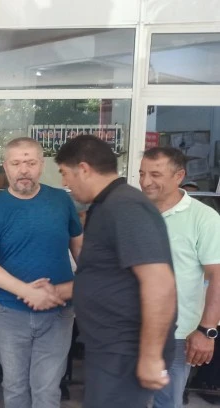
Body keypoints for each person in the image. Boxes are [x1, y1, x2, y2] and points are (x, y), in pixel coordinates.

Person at [54, 134, 177, 408]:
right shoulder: (107, 204)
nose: (64, 183)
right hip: (109, 349)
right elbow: (110, 276)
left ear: (83, 169)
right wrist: (62, 291)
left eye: (64, 173)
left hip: (126, 351)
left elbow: (160, 283)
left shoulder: (126, 207)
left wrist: (150, 356)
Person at [0, 137, 82, 408]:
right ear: (5, 166)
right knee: (15, 387)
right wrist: (27, 291)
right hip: (10, 313)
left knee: (47, 388)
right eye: (16, 163)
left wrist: (84, 288)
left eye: (31, 163)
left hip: (58, 312)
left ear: (42, 165)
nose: (24, 170)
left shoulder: (61, 201)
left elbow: (81, 250)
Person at [139, 147, 220, 408]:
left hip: (176, 333)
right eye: (142, 173)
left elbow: (217, 276)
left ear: (179, 176)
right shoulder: (133, 213)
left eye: (155, 174)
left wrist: (206, 330)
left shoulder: (204, 218)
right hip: (129, 327)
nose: (145, 181)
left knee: (165, 402)